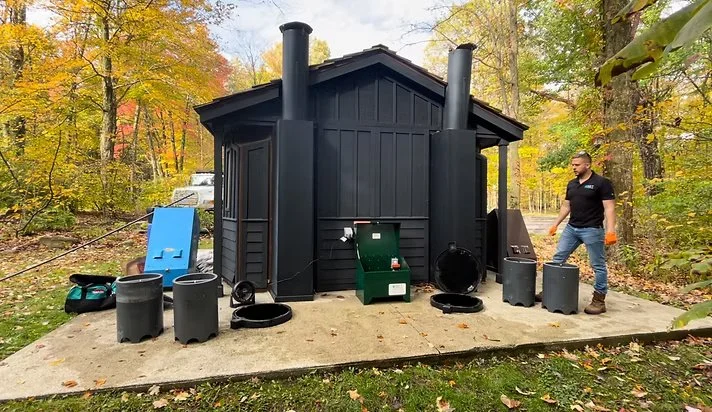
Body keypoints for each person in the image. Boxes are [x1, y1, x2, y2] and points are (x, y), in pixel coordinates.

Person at [537, 151, 618, 315]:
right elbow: (566, 206)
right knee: (558, 259)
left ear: (587, 165)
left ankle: (599, 300)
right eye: (572, 164)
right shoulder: (572, 184)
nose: (573, 167)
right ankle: (550, 291)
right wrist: (555, 224)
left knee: (598, 266)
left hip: (592, 230)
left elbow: (609, 207)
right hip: (572, 229)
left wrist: (610, 230)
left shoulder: (602, 183)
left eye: (577, 165)